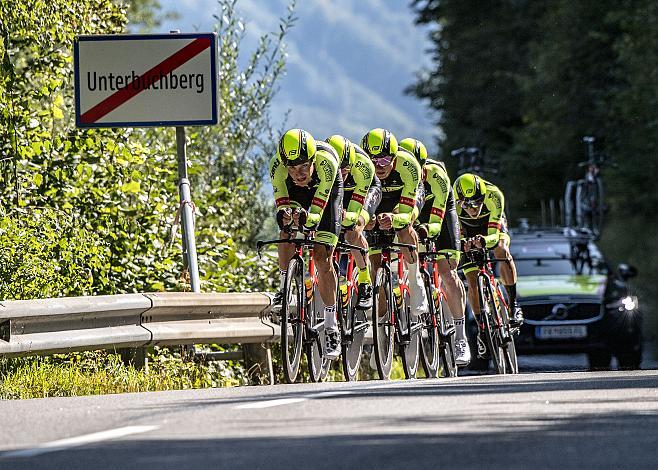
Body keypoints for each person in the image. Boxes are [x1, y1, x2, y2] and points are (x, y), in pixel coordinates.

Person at [269, 129, 344, 360]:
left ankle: (332, 327)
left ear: (312, 161)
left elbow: (318, 212)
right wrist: (285, 215)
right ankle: (283, 287)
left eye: (302, 167)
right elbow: (281, 203)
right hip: (296, 196)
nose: (297, 173)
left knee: (322, 257)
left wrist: (307, 219)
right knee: (285, 230)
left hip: (325, 194)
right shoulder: (277, 167)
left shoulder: (327, 163)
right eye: (291, 168)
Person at [400, 138, 471, 366]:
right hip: (414, 215)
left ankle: (461, 337)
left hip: (440, 215)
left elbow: (437, 218)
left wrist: (427, 230)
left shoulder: (436, 175)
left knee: (447, 273)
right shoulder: (402, 174)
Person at [453, 173, 524, 359]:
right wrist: (463, 243)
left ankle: (513, 304)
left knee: (501, 250)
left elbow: (494, 234)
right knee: (472, 281)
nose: (473, 208)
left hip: (490, 228)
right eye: (467, 204)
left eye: (477, 202)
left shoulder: (494, 195)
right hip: (467, 230)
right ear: (460, 201)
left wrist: (484, 241)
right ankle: (482, 330)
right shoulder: (451, 202)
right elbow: (454, 235)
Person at [361, 128, 428, 316]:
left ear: (394, 157)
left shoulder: (408, 165)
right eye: (373, 162)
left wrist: (395, 218)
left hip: (402, 201)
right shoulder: (364, 169)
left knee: (403, 226)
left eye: (384, 160)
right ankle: (381, 327)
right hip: (379, 201)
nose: (379, 167)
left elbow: (407, 214)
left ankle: (415, 281)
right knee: (375, 265)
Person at [325, 135, 382, 310]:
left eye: (346, 168)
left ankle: (365, 282)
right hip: (337, 190)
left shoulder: (362, 165)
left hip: (365, 189)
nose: (342, 171)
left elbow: (355, 209)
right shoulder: (324, 165)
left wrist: (348, 217)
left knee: (353, 227)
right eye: (338, 169)